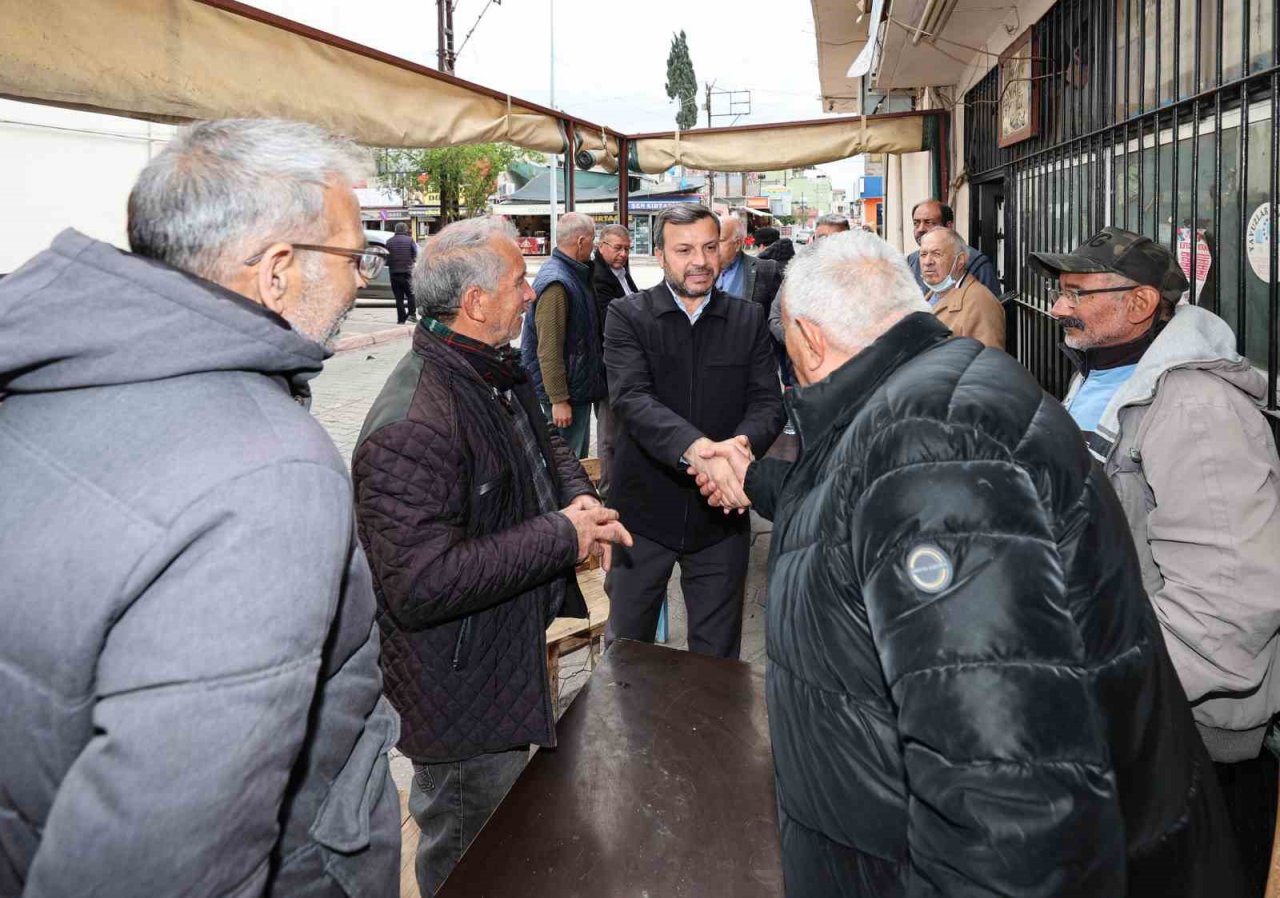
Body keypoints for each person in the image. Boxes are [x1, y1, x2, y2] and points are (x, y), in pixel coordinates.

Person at [694, 231, 1245, 898]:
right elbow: (855, 505)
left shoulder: (933, 447)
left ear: (809, 339)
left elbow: (1004, 794)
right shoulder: (936, 392)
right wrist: (755, 480)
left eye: (790, 356)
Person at [0, 118, 400, 897]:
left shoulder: (44, 378)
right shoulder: (270, 472)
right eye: (355, 256)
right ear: (277, 270)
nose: (361, 280)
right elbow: (167, 862)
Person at [352, 216, 631, 896]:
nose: (532, 292)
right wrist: (563, 535)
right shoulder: (413, 423)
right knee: (470, 853)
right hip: (459, 688)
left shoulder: (488, 366)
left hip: (500, 654)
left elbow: (548, 446)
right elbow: (420, 583)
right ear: (475, 302)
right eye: (518, 281)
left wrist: (582, 506)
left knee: (507, 838)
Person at [1032, 226, 1280, 892]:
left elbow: (1227, 606)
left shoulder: (1199, 409)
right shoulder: (1104, 375)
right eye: (1061, 292)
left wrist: (1105, 690)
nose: (1058, 308)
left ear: (1142, 304)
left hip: (1183, 741)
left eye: (1077, 293)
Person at [603, 204, 784, 659]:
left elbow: (767, 402)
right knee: (627, 653)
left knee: (717, 661)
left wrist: (740, 447)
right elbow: (632, 399)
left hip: (721, 516)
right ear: (660, 255)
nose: (699, 260)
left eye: (709, 246)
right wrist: (699, 450)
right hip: (641, 515)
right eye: (684, 250)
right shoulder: (627, 316)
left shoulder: (746, 319)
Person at [521, 211, 606, 458]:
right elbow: (548, 349)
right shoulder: (558, 283)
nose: (594, 247)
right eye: (592, 240)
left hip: (574, 389)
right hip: (566, 395)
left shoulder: (572, 275)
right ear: (580, 241)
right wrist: (559, 399)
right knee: (569, 463)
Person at [590, 223, 639, 498]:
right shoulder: (599, 276)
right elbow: (613, 315)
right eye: (618, 248)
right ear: (601, 246)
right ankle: (608, 491)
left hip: (626, 365)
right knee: (609, 435)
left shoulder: (621, 272)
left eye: (627, 249)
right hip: (609, 366)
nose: (623, 254)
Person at [917, 227, 1006, 349]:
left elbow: (987, 364)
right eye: (923, 254)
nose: (927, 262)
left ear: (960, 260)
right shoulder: (933, 294)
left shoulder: (980, 303)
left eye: (937, 254)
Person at [906, 199, 1001, 296]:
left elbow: (991, 306)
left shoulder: (975, 263)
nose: (920, 229)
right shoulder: (911, 261)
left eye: (929, 222)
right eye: (916, 223)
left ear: (948, 226)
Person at [716, 213, 781, 312]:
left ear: (737, 244)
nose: (713, 246)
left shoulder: (766, 270)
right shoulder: (700, 269)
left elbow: (776, 315)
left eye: (719, 240)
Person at [387, 220, 420, 323]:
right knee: (411, 294)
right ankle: (412, 315)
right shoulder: (410, 240)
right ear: (405, 230)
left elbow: (386, 256)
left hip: (394, 272)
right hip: (407, 272)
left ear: (395, 230)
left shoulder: (389, 241)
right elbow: (415, 253)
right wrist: (412, 261)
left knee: (399, 297)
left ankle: (400, 319)